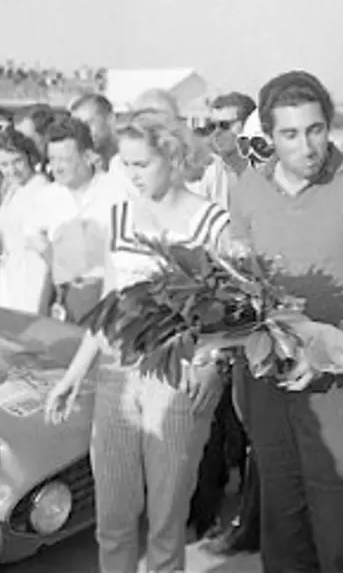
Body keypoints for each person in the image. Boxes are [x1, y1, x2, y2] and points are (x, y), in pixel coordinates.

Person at [44, 109, 230, 573]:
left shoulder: (211, 223)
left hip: (177, 380)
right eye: (125, 164)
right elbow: (111, 303)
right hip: (116, 376)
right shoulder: (122, 215)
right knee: (114, 518)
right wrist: (73, 373)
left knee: (166, 523)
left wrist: (212, 361)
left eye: (142, 163)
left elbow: (233, 310)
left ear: (172, 154)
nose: (132, 174)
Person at [229, 70, 343, 573]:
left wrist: (341, 336)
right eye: (291, 134)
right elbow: (240, 275)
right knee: (285, 519)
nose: (308, 146)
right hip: (270, 385)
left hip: (341, 383)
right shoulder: (246, 188)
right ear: (268, 137)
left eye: (316, 129)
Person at [44, 115, 126, 323]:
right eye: (52, 159)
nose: (57, 167)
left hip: (110, 299)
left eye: (65, 159)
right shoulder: (47, 198)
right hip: (66, 301)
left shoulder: (116, 192)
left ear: (88, 156)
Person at [0, 128, 76, 314]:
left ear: (29, 157)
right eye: (4, 164)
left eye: (17, 161)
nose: (11, 169)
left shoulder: (42, 189)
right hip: (10, 274)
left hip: (35, 275)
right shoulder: (11, 190)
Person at [70, 93, 119, 172]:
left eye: (88, 123)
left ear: (110, 120)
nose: (82, 131)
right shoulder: (78, 168)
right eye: (77, 126)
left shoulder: (132, 159)